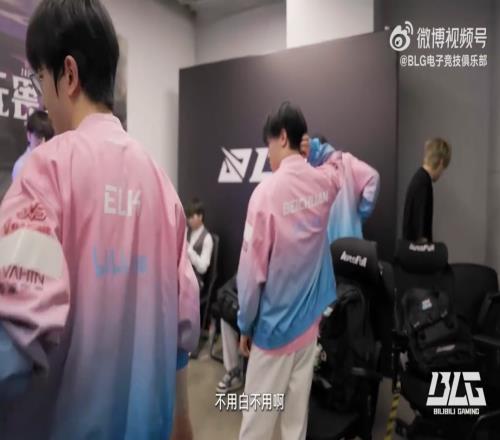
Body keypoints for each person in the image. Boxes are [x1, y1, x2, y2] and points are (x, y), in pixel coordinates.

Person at [0, 1, 199, 439]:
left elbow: (12, 343)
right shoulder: (163, 187)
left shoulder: (44, 173)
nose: (42, 99)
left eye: (40, 80)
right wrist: (182, 420)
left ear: (68, 74)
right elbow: (183, 329)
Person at [237, 102, 343, 440]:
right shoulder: (324, 183)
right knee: (295, 426)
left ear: (282, 137)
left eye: (268, 145)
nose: (268, 155)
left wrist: (245, 325)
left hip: (273, 335)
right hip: (309, 329)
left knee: (256, 427)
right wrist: (315, 149)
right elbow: (338, 162)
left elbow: (250, 277)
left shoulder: (265, 194)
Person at [308, 135, 380, 243]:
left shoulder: (310, 169)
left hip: (327, 243)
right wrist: (361, 213)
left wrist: (362, 213)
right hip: (348, 239)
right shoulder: (346, 161)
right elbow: (373, 177)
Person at [402, 138, 452, 243]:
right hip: (416, 250)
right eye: (443, 168)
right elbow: (420, 231)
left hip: (410, 247)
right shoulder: (423, 184)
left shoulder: (419, 178)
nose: (442, 173)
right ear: (441, 162)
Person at [12, 109, 54, 179]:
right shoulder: (21, 166)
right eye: (39, 136)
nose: (43, 142)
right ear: (29, 135)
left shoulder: (52, 163)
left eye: (47, 137)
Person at [186, 198, 214, 290]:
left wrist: (189, 251)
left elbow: (202, 268)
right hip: (184, 273)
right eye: (188, 217)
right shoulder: (187, 231)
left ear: (200, 216)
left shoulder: (207, 238)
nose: (189, 220)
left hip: (196, 280)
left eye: (192, 217)